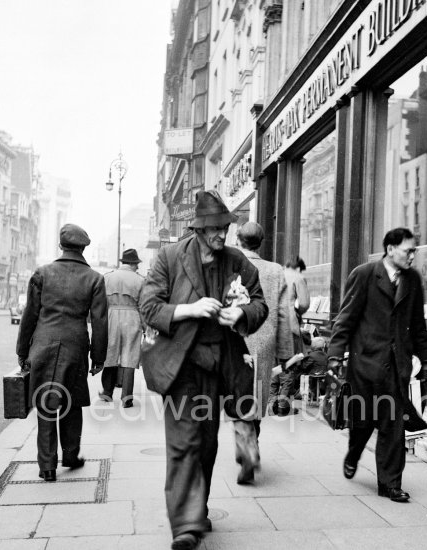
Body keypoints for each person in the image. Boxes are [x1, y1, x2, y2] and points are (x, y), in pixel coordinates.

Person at [139, 190, 268, 550]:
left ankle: (198, 509)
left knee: (207, 444)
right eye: (214, 229)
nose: (221, 235)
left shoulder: (237, 262)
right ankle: (185, 526)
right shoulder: (169, 257)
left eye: (224, 228)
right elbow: (148, 306)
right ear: (197, 229)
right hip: (180, 366)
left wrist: (240, 314)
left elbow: (259, 304)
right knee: (184, 444)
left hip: (219, 368)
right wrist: (189, 310)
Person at [327, 227, 427, 503]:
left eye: (414, 251)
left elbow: (418, 325)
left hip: (397, 367)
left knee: (393, 426)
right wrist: (335, 356)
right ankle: (353, 453)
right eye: (408, 250)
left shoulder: (412, 280)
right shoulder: (364, 275)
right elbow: (345, 319)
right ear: (390, 249)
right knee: (362, 423)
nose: (413, 256)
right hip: (364, 365)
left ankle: (390, 484)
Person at [16, 224, 108, 482]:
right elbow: (100, 322)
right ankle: (70, 455)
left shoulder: (42, 273)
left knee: (46, 405)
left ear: (61, 246)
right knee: (73, 401)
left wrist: (22, 351)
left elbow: (30, 316)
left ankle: (47, 465)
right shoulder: (94, 279)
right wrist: (98, 358)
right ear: (83, 248)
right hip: (75, 346)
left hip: (43, 345)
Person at [234, 221, 294, 483]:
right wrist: (284, 351)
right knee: (258, 395)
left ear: (238, 239)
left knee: (237, 398)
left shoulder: (230, 265)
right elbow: (284, 312)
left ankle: (248, 451)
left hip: (234, 339)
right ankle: (251, 443)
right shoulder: (276, 270)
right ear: (261, 242)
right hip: (264, 341)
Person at [100, 248, 145, 408]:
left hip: (111, 316)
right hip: (132, 316)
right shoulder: (140, 280)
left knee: (110, 354)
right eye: (137, 264)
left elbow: (100, 303)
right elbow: (143, 305)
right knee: (130, 357)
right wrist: (146, 327)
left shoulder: (107, 277)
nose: (138, 267)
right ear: (133, 264)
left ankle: (107, 393)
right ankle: (127, 398)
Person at [283, 256, 310, 355]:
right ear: (299, 269)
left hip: (272, 322)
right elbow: (304, 303)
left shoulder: (277, 274)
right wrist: (297, 313)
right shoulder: (298, 277)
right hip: (289, 323)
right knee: (294, 357)